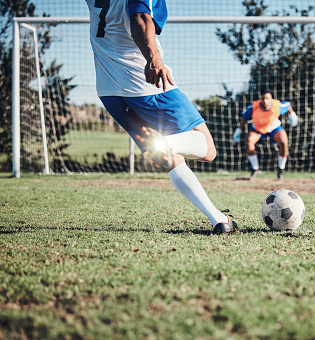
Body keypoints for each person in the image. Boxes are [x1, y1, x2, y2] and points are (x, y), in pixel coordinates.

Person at [85, 0, 237, 234]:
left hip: (108, 90)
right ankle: (164, 143)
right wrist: (153, 58)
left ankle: (218, 219)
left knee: (170, 157)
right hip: (145, 84)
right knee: (207, 148)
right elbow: (140, 17)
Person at [232, 88, 299, 180]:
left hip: (274, 128)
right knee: (249, 141)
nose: (265, 101)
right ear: (260, 99)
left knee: (284, 142)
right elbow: (244, 120)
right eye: (263, 98)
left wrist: (293, 116)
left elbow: (288, 106)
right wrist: (238, 132)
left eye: (267, 98)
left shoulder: (277, 105)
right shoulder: (253, 107)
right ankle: (255, 169)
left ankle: (280, 169)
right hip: (258, 129)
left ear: (271, 99)